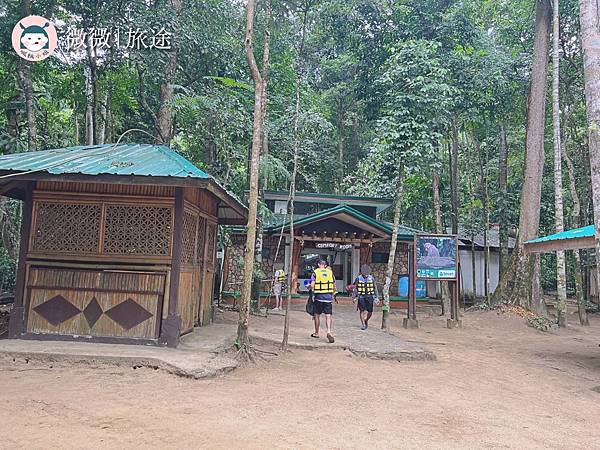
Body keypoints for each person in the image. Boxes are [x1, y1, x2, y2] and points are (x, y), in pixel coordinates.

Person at [310, 259, 336, 343]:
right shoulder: (330, 272)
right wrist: (333, 295)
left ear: (318, 264)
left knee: (317, 315)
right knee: (328, 315)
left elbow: (312, 285)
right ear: (325, 265)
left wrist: (309, 287)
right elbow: (334, 285)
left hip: (318, 297)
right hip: (328, 297)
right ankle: (328, 331)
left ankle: (317, 333)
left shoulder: (315, 273)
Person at [352, 264, 379, 330]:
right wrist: (354, 297)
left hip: (370, 296)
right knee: (362, 311)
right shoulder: (358, 278)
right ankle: (363, 325)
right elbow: (355, 288)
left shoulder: (371, 278)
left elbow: (375, 288)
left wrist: (377, 297)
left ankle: (366, 320)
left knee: (370, 311)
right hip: (361, 296)